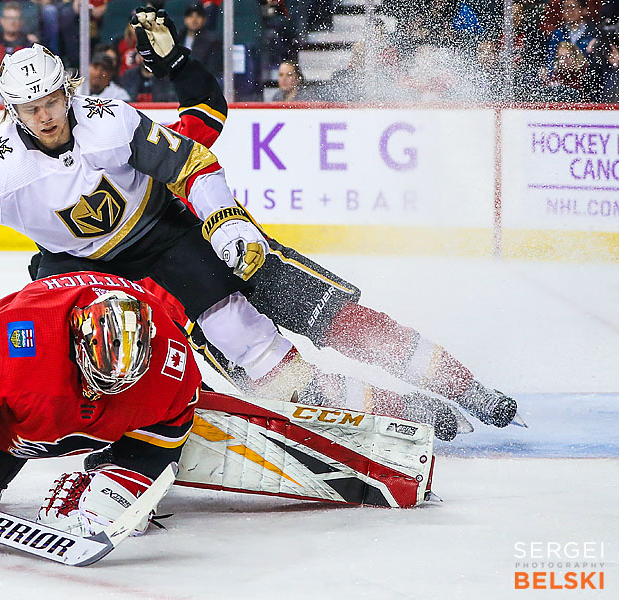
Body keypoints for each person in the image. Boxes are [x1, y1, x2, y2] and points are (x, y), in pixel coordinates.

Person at [0, 41, 327, 431]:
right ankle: (111, 434)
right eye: (30, 108)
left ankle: (310, 407)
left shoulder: (111, 120)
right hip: (75, 265)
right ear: (12, 111)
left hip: (157, 232)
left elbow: (189, 161)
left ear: (68, 91)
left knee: (230, 320)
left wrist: (225, 219)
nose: (45, 117)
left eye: (52, 102)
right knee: (57, 349)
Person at [122, 8, 520, 436]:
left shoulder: (142, 147)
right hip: (198, 313)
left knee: (351, 325)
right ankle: (408, 411)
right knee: (297, 393)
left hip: (254, 266)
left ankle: (468, 390)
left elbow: (206, 109)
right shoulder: (73, 220)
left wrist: (177, 63)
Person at [0, 275, 200, 544]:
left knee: (110, 506)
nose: (103, 393)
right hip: (11, 427)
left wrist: (130, 476)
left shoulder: (172, 366)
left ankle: (108, 464)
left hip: (87, 413)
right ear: (77, 339)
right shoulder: (20, 339)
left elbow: (174, 417)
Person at [0, 1, 38, 70]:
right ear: (2, 21)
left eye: (16, 18)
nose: (12, 22)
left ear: (21, 22)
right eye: (9, 18)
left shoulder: (29, 43)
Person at [180, 3, 222, 77]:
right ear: (185, 19)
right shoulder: (178, 38)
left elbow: (212, 69)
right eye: (190, 16)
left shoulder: (212, 41)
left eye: (198, 16)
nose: (194, 20)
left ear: (204, 20)